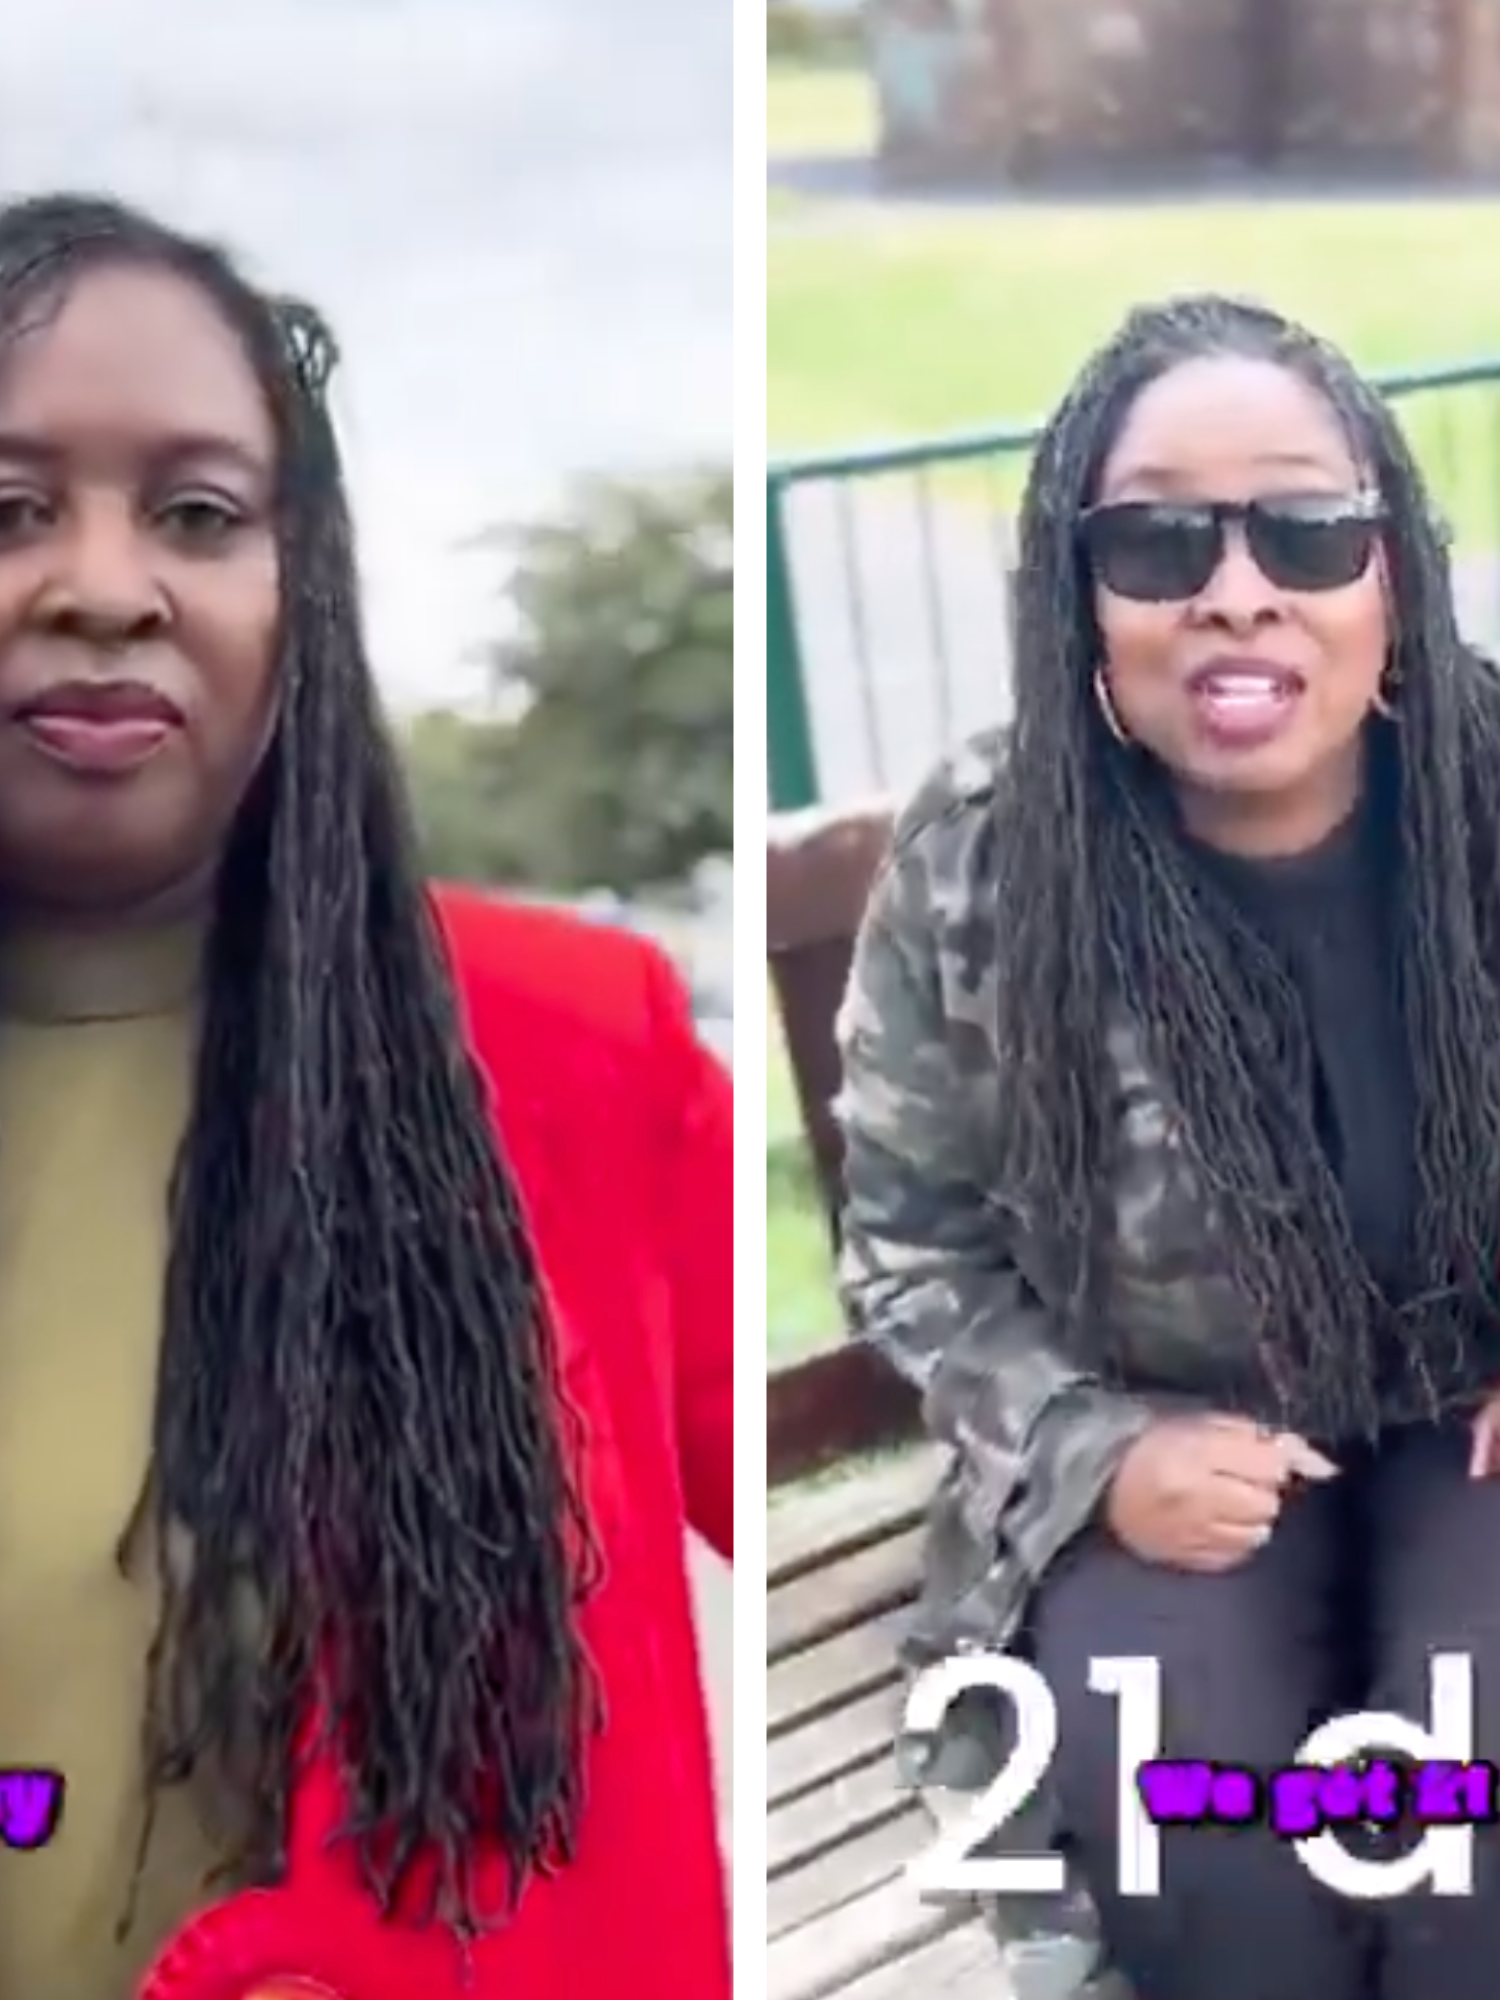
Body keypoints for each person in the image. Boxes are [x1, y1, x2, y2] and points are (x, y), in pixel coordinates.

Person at [0, 193, 732, 2000]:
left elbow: (915, 1391)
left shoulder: (567, 1050)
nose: (103, 581)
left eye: (197, 511)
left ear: (295, 586)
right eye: (8, 508)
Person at [836, 293, 1500, 2000]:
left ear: (1392, 571)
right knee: (1206, 1872)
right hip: (1169, 1464)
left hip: (1472, 1434)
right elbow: (913, 1253)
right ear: (1081, 595)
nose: (1235, 585)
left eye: (1306, 525)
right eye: (1152, 539)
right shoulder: (989, 862)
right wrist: (1091, 1452)